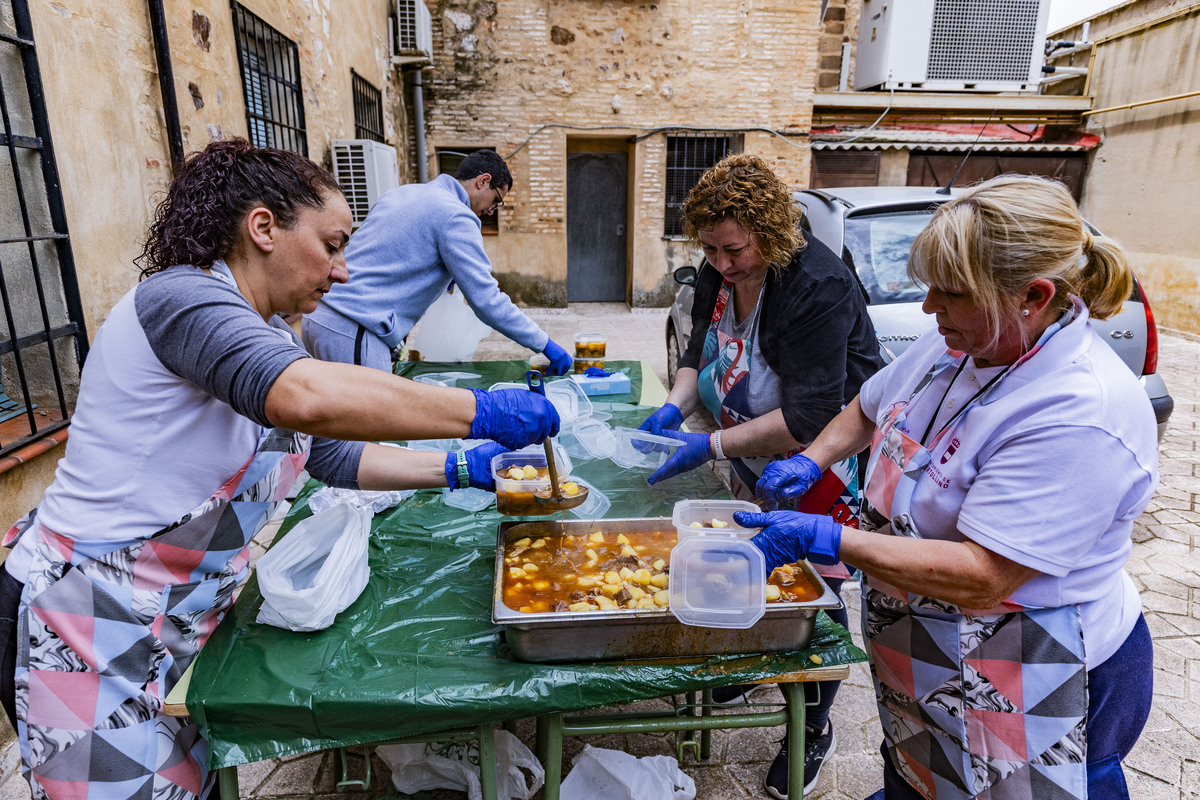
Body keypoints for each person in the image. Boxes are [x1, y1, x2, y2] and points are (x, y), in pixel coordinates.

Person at [0, 139, 559, 800]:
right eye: (332, 245)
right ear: (263, 227)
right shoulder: (181, 300)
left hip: (171, 617)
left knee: (193, 785)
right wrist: (479, 410)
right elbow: (310, 402)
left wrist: (462, 468)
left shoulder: (271, 331)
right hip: (83, 617)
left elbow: (329, 456)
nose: (344, 271)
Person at [736, 175, 1157, 800]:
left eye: (951, 293)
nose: (929, 307)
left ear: (1033, 296)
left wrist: (830, 538)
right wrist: (815, 459)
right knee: (922, 776)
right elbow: (871, 406)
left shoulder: (1079, 411)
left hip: (1034, 665)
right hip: (925, 644)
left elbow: (986, 574)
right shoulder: (960, 341)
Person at [636, 153, 885, 797]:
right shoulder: (723, 274)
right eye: (711, 250)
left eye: (735, 249)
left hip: (818, 466)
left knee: (816, 597)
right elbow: (697, 354)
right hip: (750, 456)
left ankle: (812, 724)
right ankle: (751, 665)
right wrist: (676, 407)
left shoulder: (815, 286)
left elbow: (808, 417)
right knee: (749, 568)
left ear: (769, 230)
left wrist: (709, 443)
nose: (722, 264)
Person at [301, 149, 572, 374]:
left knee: (330, 428)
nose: (491, 211)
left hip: (319, 317)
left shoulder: (404, 193)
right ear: (483, 181)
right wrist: (545, 343)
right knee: (364, 429)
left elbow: (394, 257)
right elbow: (487, 300)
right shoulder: (457, 216)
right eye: (496, 200)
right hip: (355, 329)